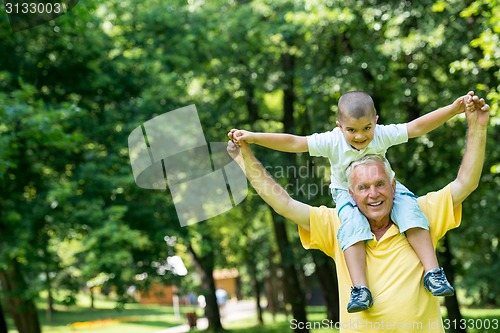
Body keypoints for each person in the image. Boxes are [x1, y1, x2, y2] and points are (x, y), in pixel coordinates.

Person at [226, 94, 489, 332]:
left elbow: (465, 181)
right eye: (363, 187)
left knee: (412, 216)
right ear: (352, 194)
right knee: (352, 228)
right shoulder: (337, 223)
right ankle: (359, 289)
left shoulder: (420, 213)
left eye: (380, 184)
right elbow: (284, 202)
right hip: (346, 216)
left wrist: (474, 125)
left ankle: (434, 273)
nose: (373, 194)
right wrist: (247, 156)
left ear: (393, 184)